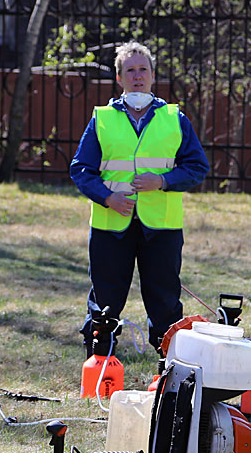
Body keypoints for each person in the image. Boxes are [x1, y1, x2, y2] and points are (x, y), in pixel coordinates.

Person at [70, 41, 209, 354]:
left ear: (153, 75)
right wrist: (108, 198)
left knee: (165, 302)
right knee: (105, 301)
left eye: (143, 69)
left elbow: (197, 167)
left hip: (161, 226)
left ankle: (168, 368)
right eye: (130, 70)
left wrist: (162, 181)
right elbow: (80, 169)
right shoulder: (102, 118)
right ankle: (99, 363)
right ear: (119, 77)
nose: (137, 76)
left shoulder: (175, 118)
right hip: (111, 225)